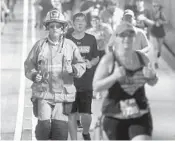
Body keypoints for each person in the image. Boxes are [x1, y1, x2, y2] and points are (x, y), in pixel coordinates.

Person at [24, 9, 86, 140]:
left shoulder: (70, 46)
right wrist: (35, 75)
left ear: (63, 28)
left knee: (60, 131)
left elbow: (81, 64)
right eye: (51, 26)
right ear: (47, 28)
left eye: (58, 26)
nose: (55, 29)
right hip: (43, 94)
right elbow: (28, 65)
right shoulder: (40, 46)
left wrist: (74, 69)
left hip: (62, 96)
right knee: (44, 127)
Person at [93, 23, 158, 140]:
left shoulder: (142, 58)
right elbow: (96, 87)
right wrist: (114, 76)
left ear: (135, 38)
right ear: (116, 38)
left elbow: (153, 82)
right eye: (123, 35)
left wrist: (152, 77)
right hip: (114, 116)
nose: (127, 38)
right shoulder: (109, 60)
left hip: (140, 114)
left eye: (130, 35)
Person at [66, 13, 99, 140]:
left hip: (86, 82)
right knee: (71, 114)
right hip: (69, 83)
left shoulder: (91, 39)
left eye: (82, 21)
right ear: (73, 24)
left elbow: (96, 57)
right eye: (77, 21)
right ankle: (74, 139)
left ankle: (85, 132)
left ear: (86, 24)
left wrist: (91, 63)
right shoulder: (66, 39)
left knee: (86, 114)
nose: (80, 23)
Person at [150, 0, 167, 68]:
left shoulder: (161, 13)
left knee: (159, 49)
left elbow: (166, 21)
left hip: (160, 32)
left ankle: (158, 57)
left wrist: (161, 22)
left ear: (159, 7)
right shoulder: (151, 13)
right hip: (153, 32)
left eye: (156, 6)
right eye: (154, 6)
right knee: (155, 48)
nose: (155, 7)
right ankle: (156, 62)